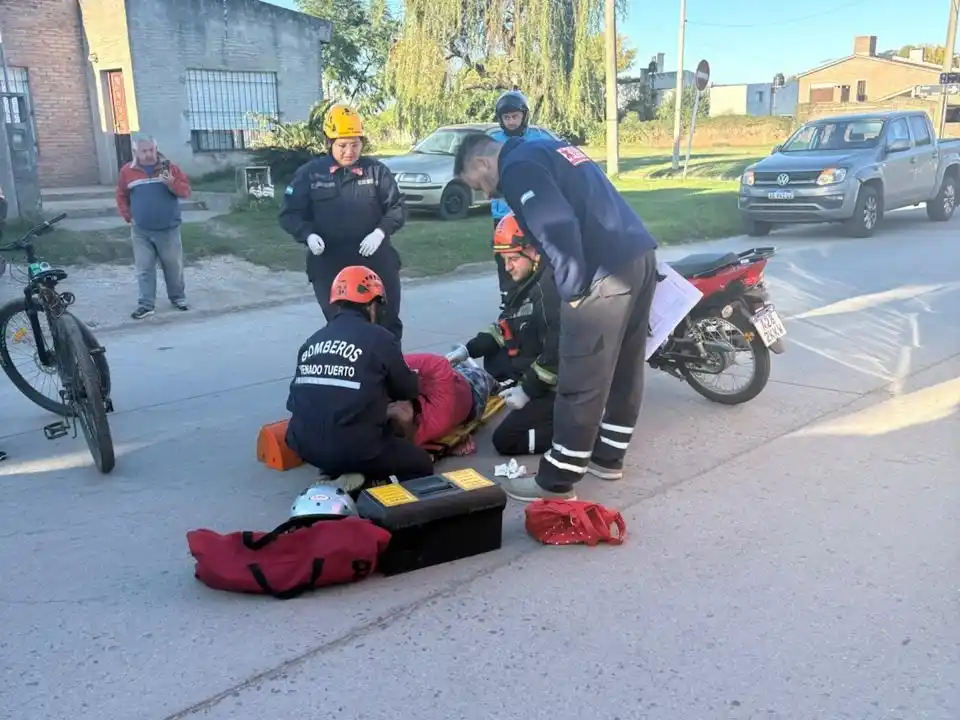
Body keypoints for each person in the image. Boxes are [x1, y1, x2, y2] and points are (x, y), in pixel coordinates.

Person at [453, 133, 660, 502]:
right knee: (626, 366)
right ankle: (608, 457)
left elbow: (556, 226)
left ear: (483, 163)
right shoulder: (547, 148)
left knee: (581, 374)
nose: (487, 195)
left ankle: (555, 481)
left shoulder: (516, 168)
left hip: (601, 269)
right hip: (636, 255)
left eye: (480, 185)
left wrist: (573, 288)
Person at [284, 265, 433, 493]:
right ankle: (369, 481)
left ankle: (334, 471)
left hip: (303, 444)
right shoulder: (381, 338)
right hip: (354, 448)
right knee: (420, 464)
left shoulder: (312, 341)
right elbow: (406, 389)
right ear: (372, 304)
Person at [279, 104, 407, 340]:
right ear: (329, 143)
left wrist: (380, 232)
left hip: (375, 260)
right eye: (342, 145)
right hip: (330, 263)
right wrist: (307, 234)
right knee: (344, 329)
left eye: (355, 144)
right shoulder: (311, 174)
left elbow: (397, 207)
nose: (350, 151)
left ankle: (391, 374)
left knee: (386, 324)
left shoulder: (376, 172)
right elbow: (289, 213)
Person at [445, 213, 559, 458]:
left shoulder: (549, 293)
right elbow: (503, 328)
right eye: (504, 259)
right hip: (539, 370)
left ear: (534, 251)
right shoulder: (527, 283)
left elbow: (557, 354)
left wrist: (527, 391)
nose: (507, 267)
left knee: (505, 440)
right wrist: (468, 350)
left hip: (559, 386)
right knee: (494, 359)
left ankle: (575, 433)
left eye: (513, 259)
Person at [489, 91, 557, 306]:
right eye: (506, 118)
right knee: (507, 258)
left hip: (534, 210)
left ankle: (541, 295)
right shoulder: (492, 143)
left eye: (514, 116)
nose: (510, 121)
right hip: (503, 213)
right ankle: (509, 298)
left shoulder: (539, 138)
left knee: (537, 254)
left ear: (524, 116)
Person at [115, 135, 191, 320]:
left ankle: (178, 298)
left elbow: (186, 192)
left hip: (168, 228)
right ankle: (146, 304)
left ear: (156, 149)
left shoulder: (170, 168)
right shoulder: (127, 171)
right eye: (144, 151)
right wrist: (128, 217)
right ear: (135, 152)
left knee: (173, 266)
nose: (149, 154)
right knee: (144, 268)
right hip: (141, 230)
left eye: (152, 150)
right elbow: (121, 195)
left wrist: (170, 182)